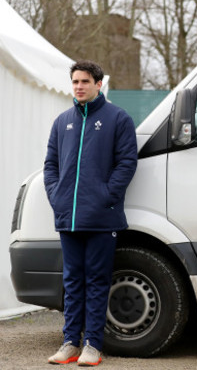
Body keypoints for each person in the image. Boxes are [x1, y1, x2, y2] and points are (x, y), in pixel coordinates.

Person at [44, 60, 138, 366]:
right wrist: (57, 197)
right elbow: (51, 166)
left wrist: (107, 196)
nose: (79, 87)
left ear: (99, 84)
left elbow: (127, 162)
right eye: (75, 82)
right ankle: (70, 343)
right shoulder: (61, 122)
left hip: (101, 217)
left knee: (97, 281)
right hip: (68, 217)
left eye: (85, 81)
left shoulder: (118, 119)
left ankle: (93, 345)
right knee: (72, 281)